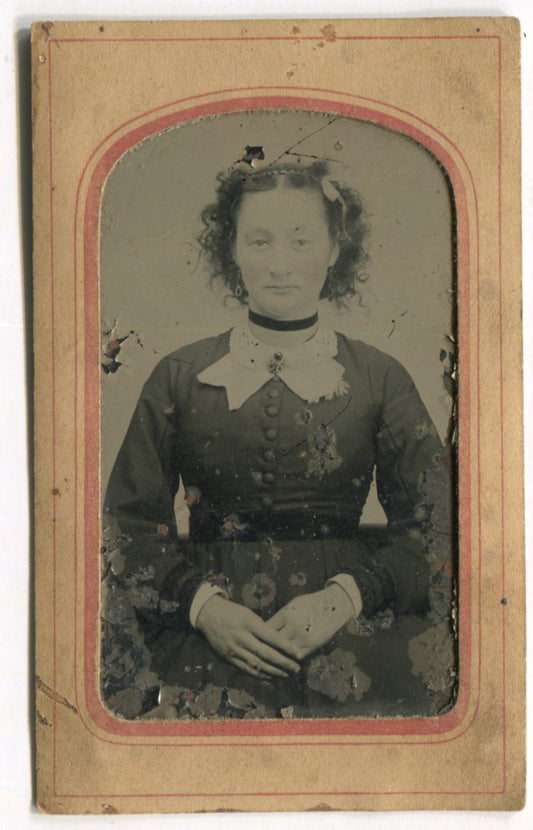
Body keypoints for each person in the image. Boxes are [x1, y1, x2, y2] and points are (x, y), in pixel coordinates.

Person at [101, 160, 455, 721]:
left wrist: (345, 597)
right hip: (206, 636)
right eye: (260, 241)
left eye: (301, 241)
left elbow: (441, 528)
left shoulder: (379, 376)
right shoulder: (179, 374)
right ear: (233, 250)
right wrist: (202, 607)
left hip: (351, 635)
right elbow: (127, 528)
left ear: (335, 250)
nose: (281, 265)